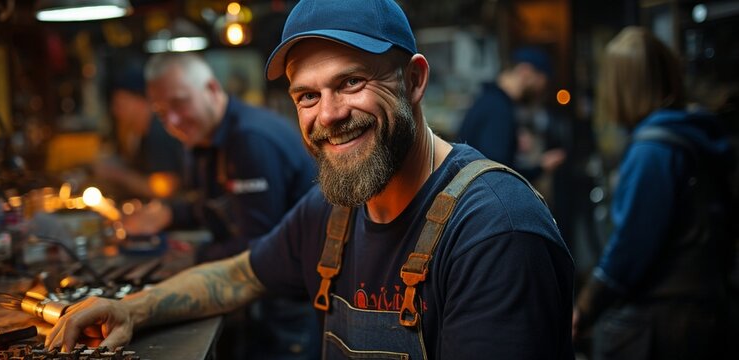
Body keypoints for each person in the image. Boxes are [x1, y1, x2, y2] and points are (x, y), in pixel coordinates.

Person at [47, 1, 575, 359]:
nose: (329, 114)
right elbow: (242, 274)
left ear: (413, 80)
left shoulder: (494, 231)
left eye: (351, 82)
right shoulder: (335, 210)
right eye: (307, 95)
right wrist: (132, 308)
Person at [124, 53, 321, 359]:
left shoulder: (250, 140)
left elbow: (255, 245)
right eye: (162, 114)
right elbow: (217, 208)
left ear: (212, 89)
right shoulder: (204, 137)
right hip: (260, 294)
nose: (172, 122)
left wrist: (191, 257)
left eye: (179, 103)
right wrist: (169, 213)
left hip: (291, 304)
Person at [572, 27, 735, 359]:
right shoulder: (695, 132)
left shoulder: (654, 150)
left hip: (663, 321)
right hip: (706, 308)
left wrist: (586, 307)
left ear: (622, 88)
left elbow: (632, 247)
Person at [458, 46, 566, 181]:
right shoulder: (498, 108)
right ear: (525, 71)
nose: (541, 90)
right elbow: (497, 175)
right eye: (541, 81)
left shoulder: (490, 100)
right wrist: (540, 168)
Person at [92, 65, 185, 199]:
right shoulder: (139, 133)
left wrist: (116, 174)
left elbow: (165, 189)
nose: (116, 111)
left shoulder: (159, 130)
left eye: (120, 103)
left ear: (140, 100)